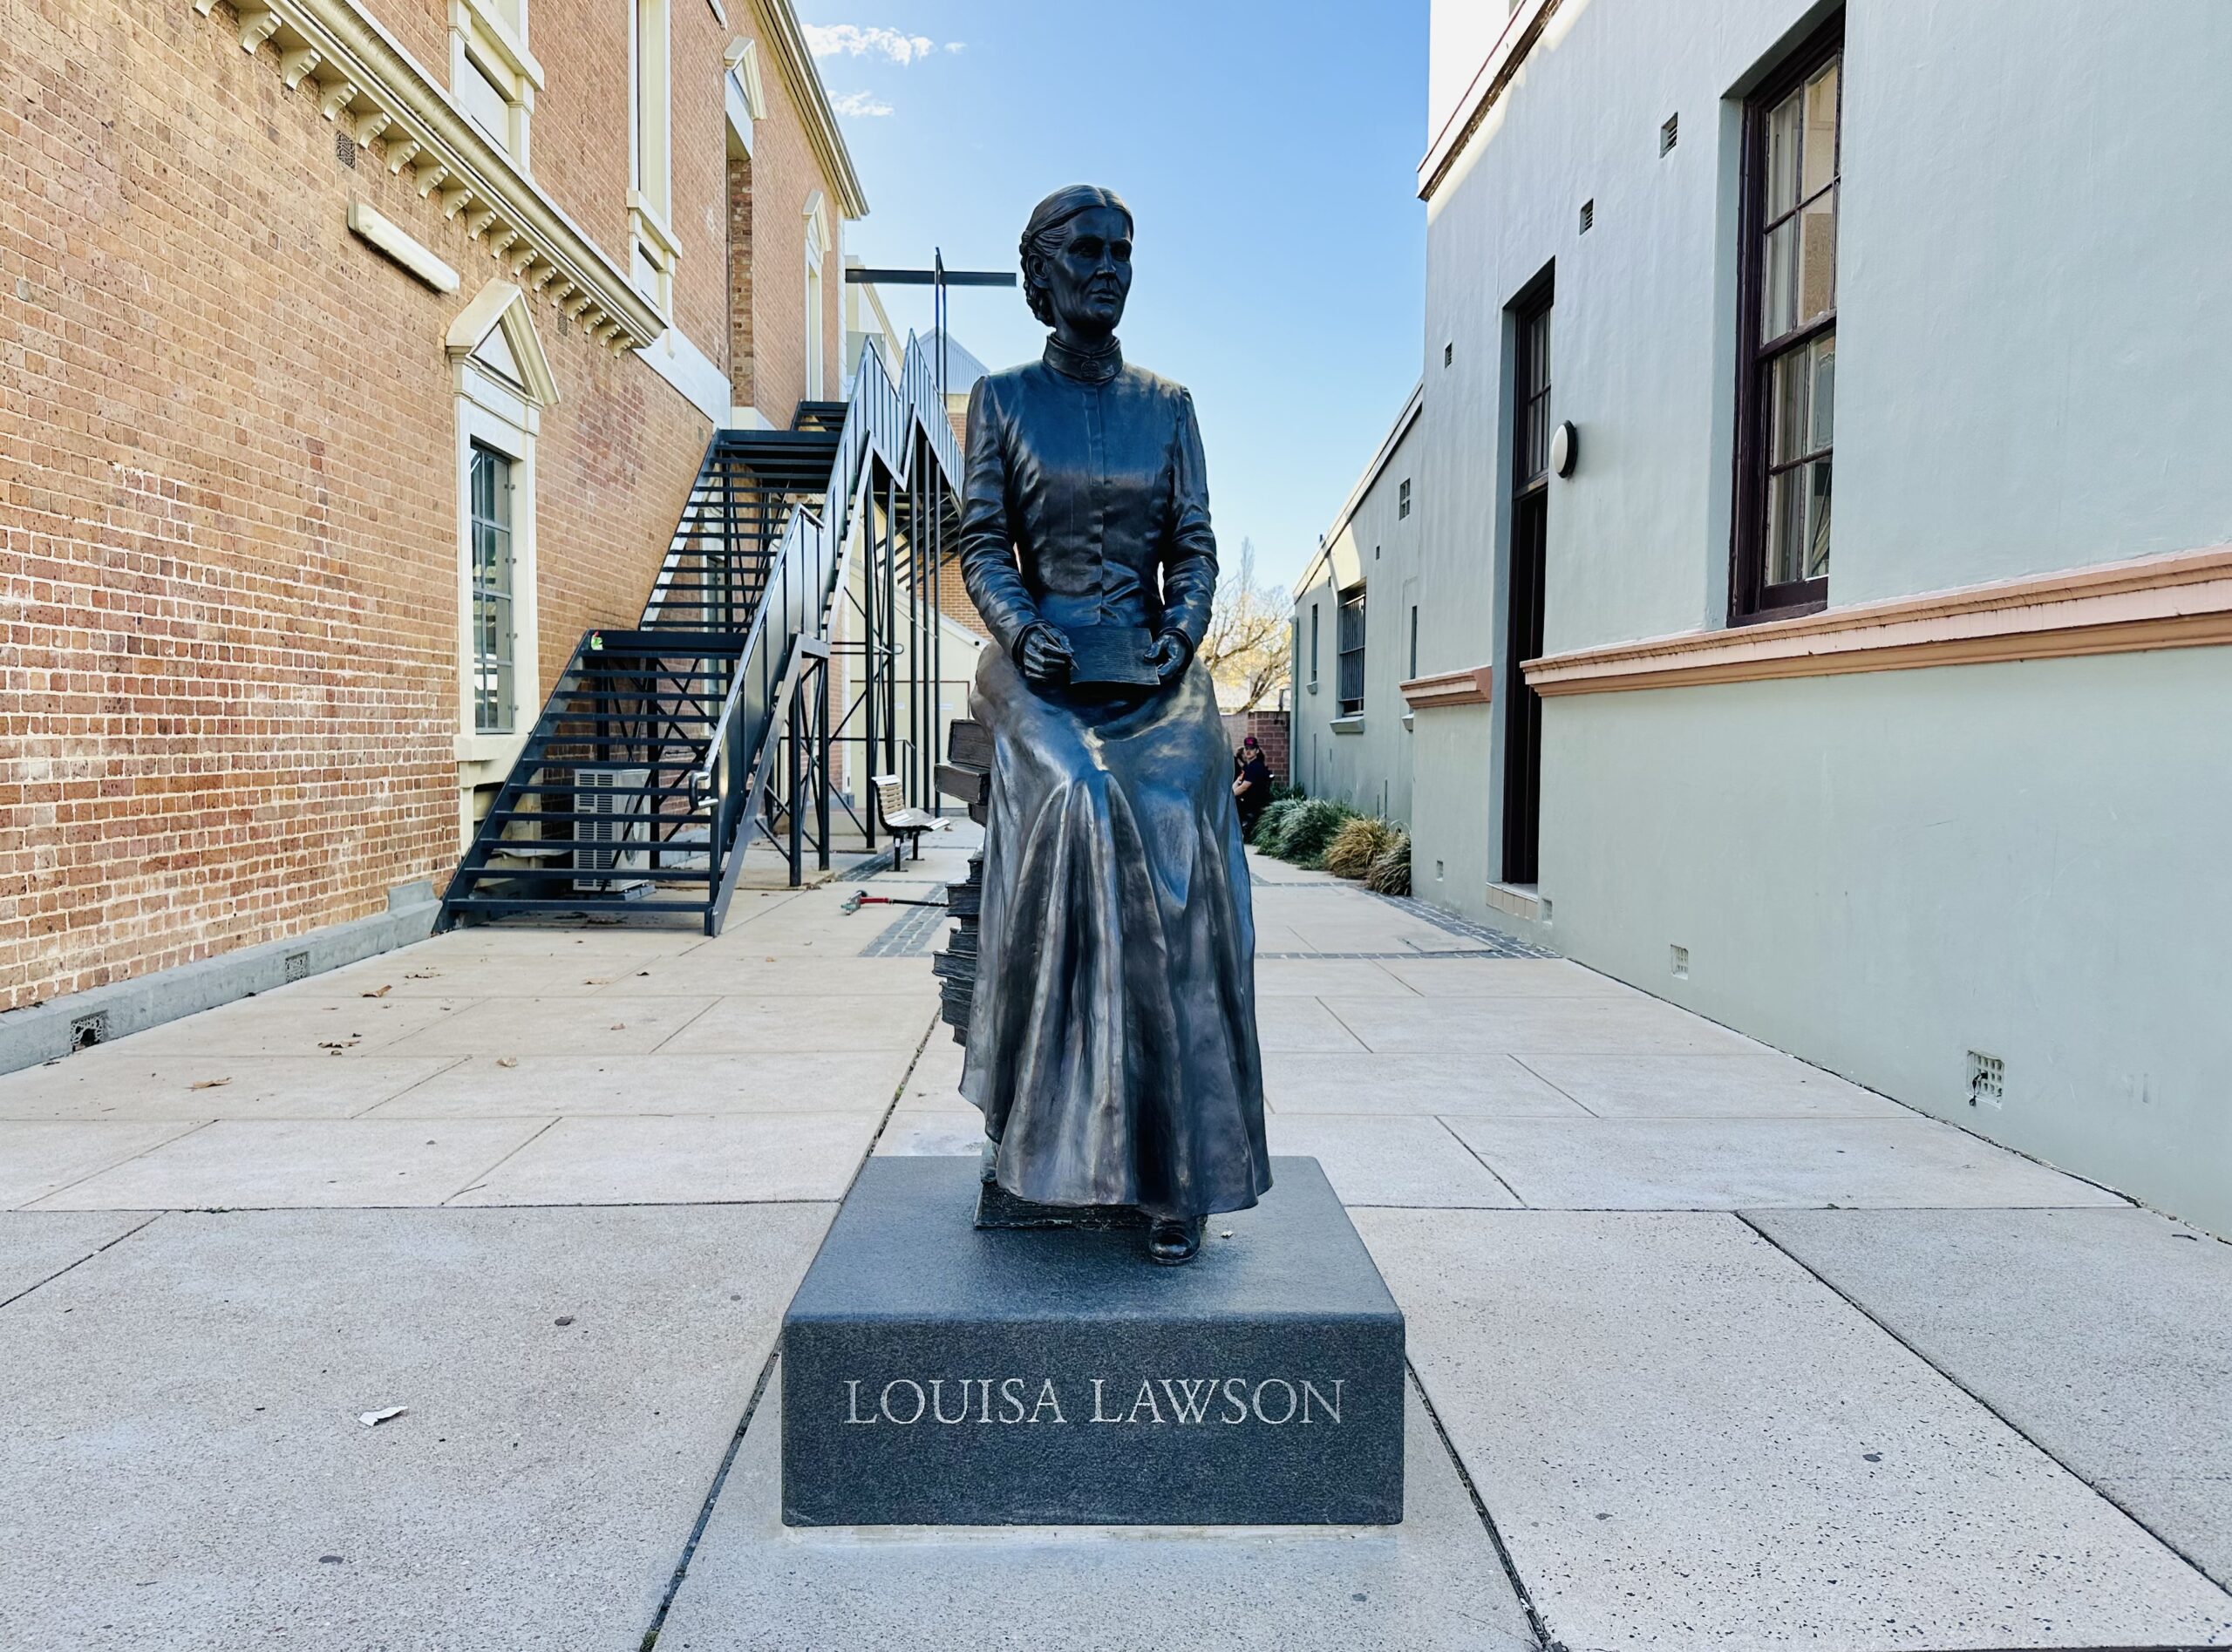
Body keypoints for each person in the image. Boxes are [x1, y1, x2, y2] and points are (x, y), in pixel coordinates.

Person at [956, 185, 1269, 1267]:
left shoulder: (1169, 404)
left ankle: (1175, 1165)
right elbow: (984, 542)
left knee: (1178, 822)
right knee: (1086, 800)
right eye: (1084, 250)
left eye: (1121, 251)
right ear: (1038, 272)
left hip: (1151, 663)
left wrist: (1181, 631)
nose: (1106, 265)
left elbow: (1194, 544)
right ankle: (1056, 1136)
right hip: (1036, 662)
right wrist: (1021, 623)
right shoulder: (999, 400)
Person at [1233, 736, 1273, 840]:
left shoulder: (1256, 766)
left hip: (1254, 803)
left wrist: (1230, 796)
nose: (1248, 751)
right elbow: (1239, 782)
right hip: (1247, 801)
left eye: (1251, 749)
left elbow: (1244, 787)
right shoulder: (1247, 767)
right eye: (1246, 749)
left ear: (1257, 750)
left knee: (1233, 802)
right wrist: (1230, 792)